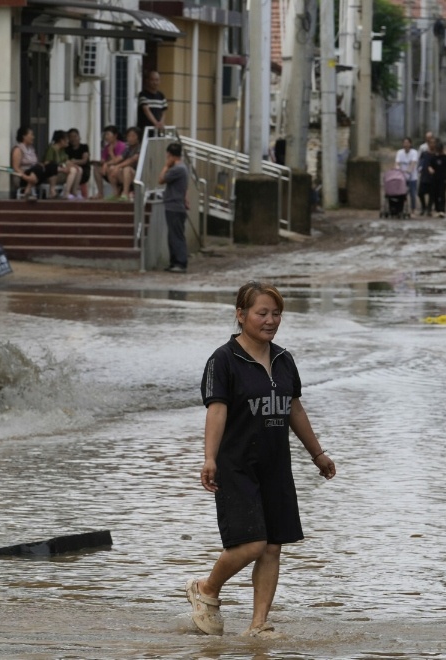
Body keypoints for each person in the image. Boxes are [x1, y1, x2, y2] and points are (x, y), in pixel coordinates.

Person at [189, 281, 336, 638]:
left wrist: (317, 453)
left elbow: (294, 409)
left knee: (272, 547)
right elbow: (217, 412)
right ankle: (206, 589)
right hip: (236, 465)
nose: (270, 320)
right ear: (241, 315)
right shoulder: (223, 360)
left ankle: (259, 624)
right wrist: (209, 458)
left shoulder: (284, 360)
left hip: (275, 464)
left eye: (276, 313)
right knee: (251, 544)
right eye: (262, 313)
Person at [159, 143, 189, 273]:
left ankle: (180, 262)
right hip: (175, 204)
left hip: (175, 206)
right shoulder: (182, 168)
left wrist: (166, 166)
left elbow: (161, 179)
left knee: (176, 235)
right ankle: (174, 261)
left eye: (168, 156)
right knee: (172, 235)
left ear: (171, 155)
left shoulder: (177, 169)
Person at [43, 130, 83, 200]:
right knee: (73, 171)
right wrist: (62, 169)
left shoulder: (62, 150)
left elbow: (66, 161)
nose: (68, 141)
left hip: (61, 172)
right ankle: (66, 193)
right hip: (53, 174)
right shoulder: (52, 149)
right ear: (61, 140)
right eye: (67, 139)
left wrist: (73, 165)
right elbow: (47, 164)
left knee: (79, 169)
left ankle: (74, 191)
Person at [11, 126, 44, 200]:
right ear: (24, 136)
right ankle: (28, 189)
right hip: (23, 176)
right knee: (37, 168)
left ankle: (28, 188)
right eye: (31, 135)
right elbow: (16, 168)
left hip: (34, 176)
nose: (33, 137)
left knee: (47, 167)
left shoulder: (31, 148)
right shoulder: (18, 149)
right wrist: (27, 178)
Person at [426, 141, 446, 218]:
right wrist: (430, 170)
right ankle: (432, 209)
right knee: (433, 194)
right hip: (434, 179)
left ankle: (442, 210)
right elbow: (429, 166)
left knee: (442, 194)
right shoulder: (434, 157)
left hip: (443, 179)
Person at [110, 127, 142, 201]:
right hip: (127, 174)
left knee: (126, 169)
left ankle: (125, 193)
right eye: (128, 136)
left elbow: (132, 160)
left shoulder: (140, 147)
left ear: (138, 137)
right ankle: (115, 192)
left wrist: (118, 166)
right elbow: (119, 158)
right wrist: (107, 164)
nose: (130, 138)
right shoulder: (128, 148)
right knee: (111, 168)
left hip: (138, 175)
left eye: (133, 136)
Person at [96, 126, 125, 199]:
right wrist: (100, 162)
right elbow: (103, 159)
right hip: (108, 168)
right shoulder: (107, 147)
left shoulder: (121, 145)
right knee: (96, 169)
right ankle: (100, 193)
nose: (106, 137)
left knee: (111, 167)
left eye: (108, 134)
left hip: (120, 169)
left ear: (115, 135)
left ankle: (115, 191)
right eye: (105, 135)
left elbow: (118, 161)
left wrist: (111, 153)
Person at [137, 71, 168, 137]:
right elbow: (146, 110)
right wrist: (155, 123)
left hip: (157, 131)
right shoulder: (143, 95)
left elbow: (164, 111)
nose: (155, 82)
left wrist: (161, 123)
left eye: (157, 80)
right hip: (145, 130)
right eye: (152, 80)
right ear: (147, 81)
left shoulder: (161, 96)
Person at [65, 128, 92, 199]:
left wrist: (74, 161)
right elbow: (66, 161)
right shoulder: (67, 148)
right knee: (73, 171)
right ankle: (70, 193)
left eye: (75, 136)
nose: (73, 139)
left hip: (84, 169)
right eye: (71, 137)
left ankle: (74, 192)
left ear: (79, 137)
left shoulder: (84, 147)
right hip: (71, 169)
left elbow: (84, 160)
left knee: (79, 171)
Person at [395, 138, 419, 213]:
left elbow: (413, 162)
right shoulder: (399, 152)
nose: (406, 144)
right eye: (404, 143)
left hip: (412, 177)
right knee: (401, 193)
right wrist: (397, 168)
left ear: (410, 144)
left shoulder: (414, 152)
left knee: (412, 193)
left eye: (407, 143)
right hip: (402, 177)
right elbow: (397, 162)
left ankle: (413, 209)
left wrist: (410, 169)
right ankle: (400, 209)